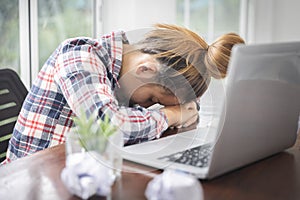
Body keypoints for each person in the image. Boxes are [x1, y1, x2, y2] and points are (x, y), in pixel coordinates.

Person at [3, 24, 244, 163]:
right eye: (152, 100)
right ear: (145, 69)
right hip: (30, 181)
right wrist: (170, 115)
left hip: (81, 171)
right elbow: (108, 125)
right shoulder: (79, 58)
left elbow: (187, 107)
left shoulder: (124, 73)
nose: (149, 107)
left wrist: (186, 106)